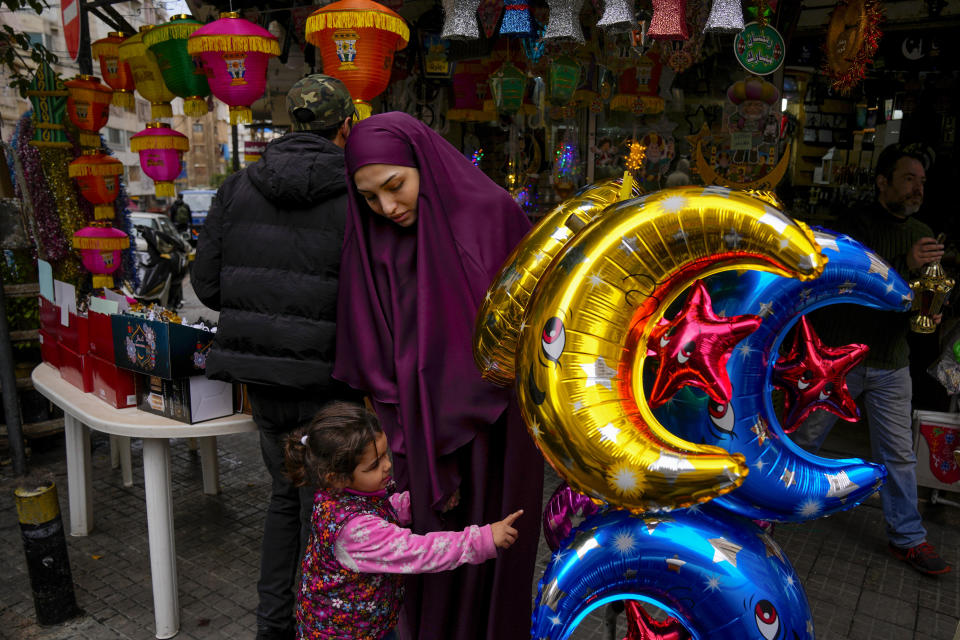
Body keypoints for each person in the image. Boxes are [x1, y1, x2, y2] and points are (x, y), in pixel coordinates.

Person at [334, 111, 544, 640]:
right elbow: (369, 348)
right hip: (416, 428)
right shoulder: (370, 239)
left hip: (498, 428)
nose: (387, 207)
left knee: (500, 546)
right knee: (434, 553)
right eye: (370, 197)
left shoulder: (491, 213)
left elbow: (534, 324)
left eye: (395, 186)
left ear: (421, 160)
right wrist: (412, 442)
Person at [191, 74, 361, 640]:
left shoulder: (238, 188)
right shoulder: (359, 194)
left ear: (293, 123)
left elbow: (208, 287)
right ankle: (326, 624)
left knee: (286, 499)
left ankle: (273, 626)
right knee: (332, 506)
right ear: (344, 126)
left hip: (263, 383)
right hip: (330, 380)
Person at [793, 143, 951, 576]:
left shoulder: (923, 229)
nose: (917, 188)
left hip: (892, 360)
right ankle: (765, 511)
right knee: (805, 438)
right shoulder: (853, 224)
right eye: (907, 179)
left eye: (921, 181)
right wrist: (905, 263)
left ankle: (908, 538)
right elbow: (849, 277)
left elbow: (917, 295)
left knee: (899, 454)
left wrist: (931, 304)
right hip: (839, 357)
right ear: (882, 181)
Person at [284, 401, 524, 640]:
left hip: (370, 625)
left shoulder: (339, 494)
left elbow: (380, 510)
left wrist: (416, 504)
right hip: (347, 634)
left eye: (385, 454)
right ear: (336, 477)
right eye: (374, 465)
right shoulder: (353, 530)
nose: (388, 466)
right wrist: (483, 538)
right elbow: (419, 552)